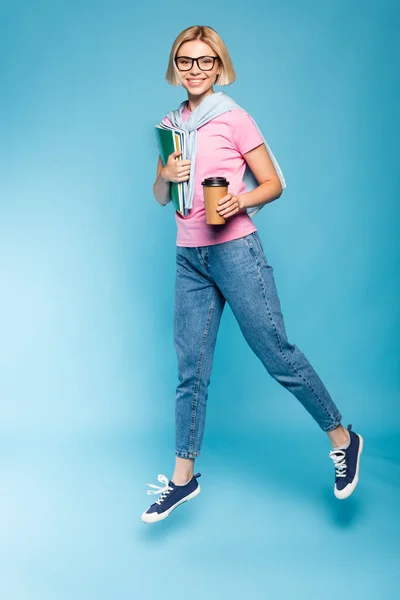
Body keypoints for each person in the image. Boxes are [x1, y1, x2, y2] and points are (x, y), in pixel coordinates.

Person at [141, 25, 363, 524]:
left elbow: (274, 183)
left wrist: (240, 199)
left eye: (204, 60)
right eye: (185, 60)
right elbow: (160, 198)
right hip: (189, 256)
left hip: (235, 249)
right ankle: (182, 480)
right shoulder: (169, 126)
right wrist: (163, 176)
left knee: (275, 352)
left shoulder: (234, 118)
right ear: (175, 67)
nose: (194, 69)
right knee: (190, 370)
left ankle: (343, 440)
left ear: (218, 66)